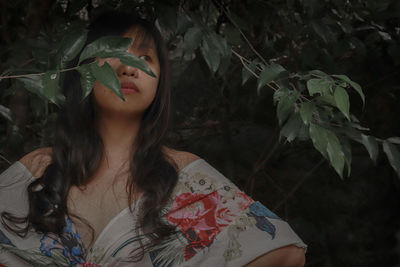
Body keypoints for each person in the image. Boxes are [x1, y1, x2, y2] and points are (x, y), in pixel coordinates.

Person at [0, 11, 306, 266]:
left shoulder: (186, 174)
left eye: (145, 57)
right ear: (81, 68)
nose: (130, 68)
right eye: (113, 52)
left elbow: (286, 254)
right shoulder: (39, 167)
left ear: (159, 82)